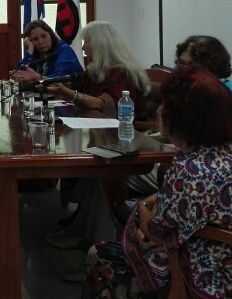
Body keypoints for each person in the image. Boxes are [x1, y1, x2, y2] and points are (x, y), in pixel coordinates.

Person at [82, 66, 232, 298]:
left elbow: (156, 233)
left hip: (218, 274)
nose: (158, 110)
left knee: (99, 252)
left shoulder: (190, 169)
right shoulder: (230, 149)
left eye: (165, 105)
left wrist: (143, 208)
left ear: (181, 119)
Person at [43, 21, 151, 250]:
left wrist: (68, 93)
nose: (84, 49)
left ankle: (97, 244)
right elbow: (77, 88)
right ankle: (83, 232)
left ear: (101, 45)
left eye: (87, 43)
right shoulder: (96, 71)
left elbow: (106, 106)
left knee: (100, 173)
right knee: (94, 170)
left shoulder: (121, 73)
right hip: (107, 138)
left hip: (129, 143)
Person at [175, 35, 232, 150]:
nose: (183, 69)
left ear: (210, 66)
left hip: (229, 153)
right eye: (181, 63)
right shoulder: (192, 87)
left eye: (190, 65)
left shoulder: (220, 93)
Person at [11, 20, 84, 83]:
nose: (41, 42)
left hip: (70, 97)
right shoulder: (35, 54)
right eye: (35, 39)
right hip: (47, 96)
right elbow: (22, 74)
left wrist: (37, 77)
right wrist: (30, 50)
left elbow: (59, 79)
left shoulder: (64, 50)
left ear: (50, 35)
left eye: (44, 36)